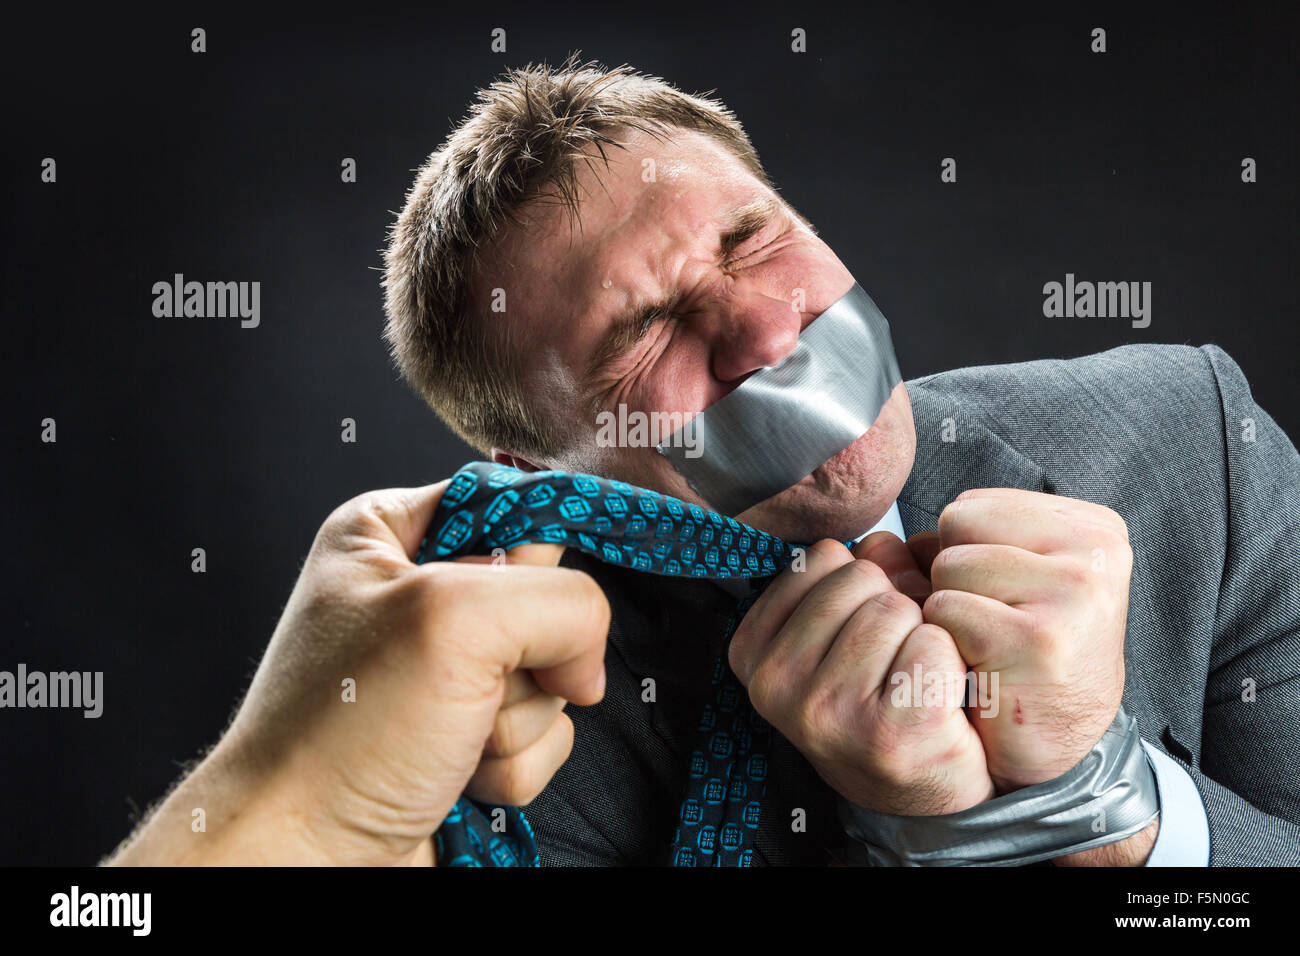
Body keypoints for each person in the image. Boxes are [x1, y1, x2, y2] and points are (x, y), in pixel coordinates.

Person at [107, 60, 1300, 867]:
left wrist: (1099, 819)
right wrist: (279, 800)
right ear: (533, 462)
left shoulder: (1193, 438)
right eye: (642, 334)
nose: (767, 331)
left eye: (753, 237)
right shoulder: (490, 756)